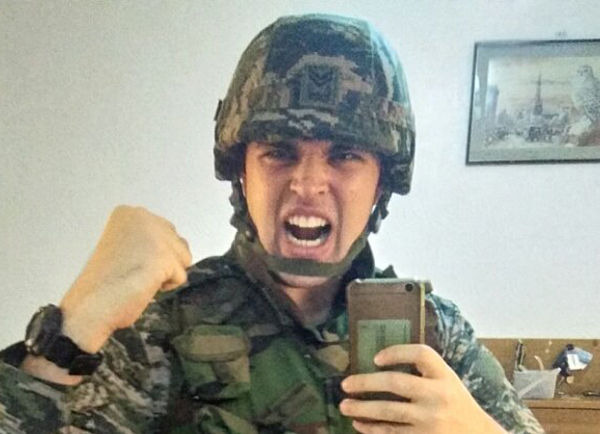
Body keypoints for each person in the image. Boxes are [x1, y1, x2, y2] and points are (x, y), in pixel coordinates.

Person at [0, 14, 543, 433]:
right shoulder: (161, 327)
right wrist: (70, 330)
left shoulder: (433, 335)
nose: (308, 183)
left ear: (383, 181)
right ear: (242, 172)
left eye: (344, 155)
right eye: (279, 152)